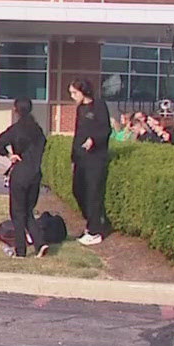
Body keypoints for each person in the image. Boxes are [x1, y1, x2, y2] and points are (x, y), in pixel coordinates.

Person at [0, 96, 48, 258]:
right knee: (28, 211)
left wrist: (10, 155)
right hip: (35, 173)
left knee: (17, 213)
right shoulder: (37, 130)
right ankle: (39, 244)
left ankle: (21, 250)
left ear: (16, 110)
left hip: (20, 174)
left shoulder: (16, 129)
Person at [69, 79, 110, 245]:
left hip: (95, 157)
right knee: (78, 190)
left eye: (74, 93)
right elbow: (78, 132)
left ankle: (95, 231)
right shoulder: (80, 109)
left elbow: (106, 129)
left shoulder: (99, 106)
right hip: (81, 157)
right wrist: (73, 155)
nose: (72, 97)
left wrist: (94, 140)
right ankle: (93, 220)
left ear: (83, 91)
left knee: (93, 193)